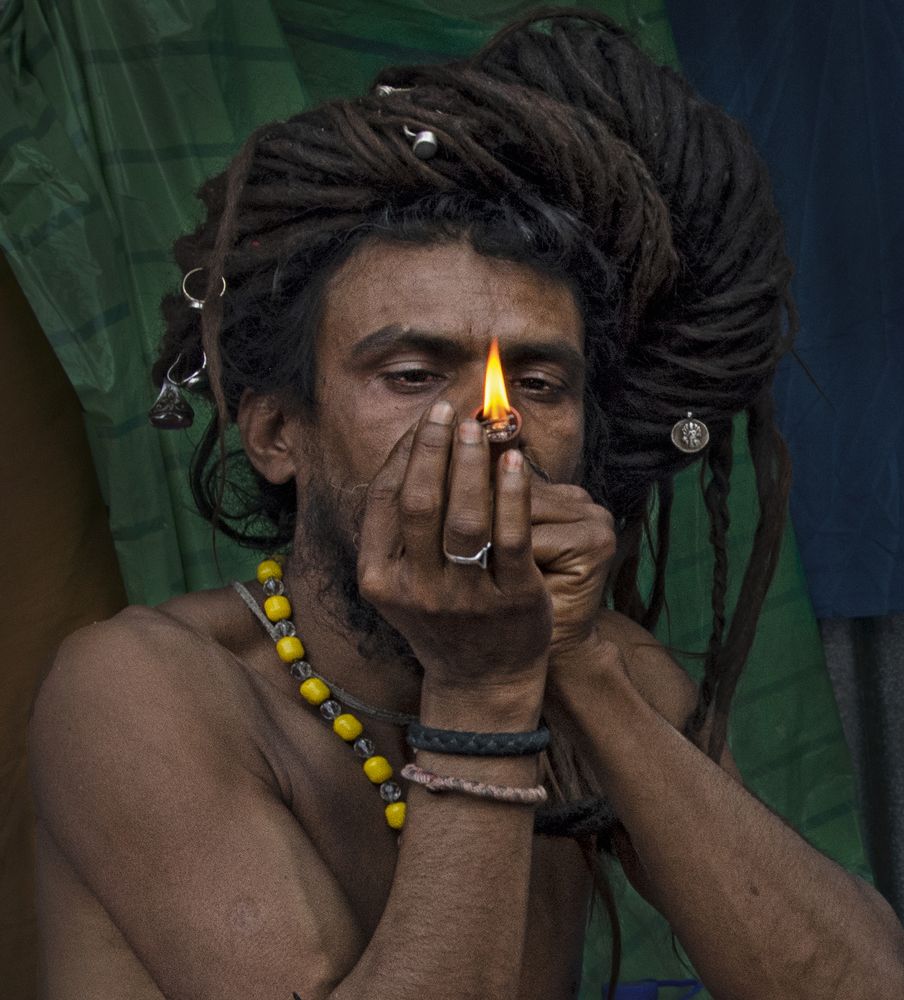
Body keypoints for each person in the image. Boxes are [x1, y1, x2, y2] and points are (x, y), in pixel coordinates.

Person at [28, 9, 904, 999]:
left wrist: (577, 668)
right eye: (410, 371)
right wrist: (480, 696)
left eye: (538, 382)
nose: (490, 426)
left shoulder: (590, 665)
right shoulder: (142, 690)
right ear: (278, 434)